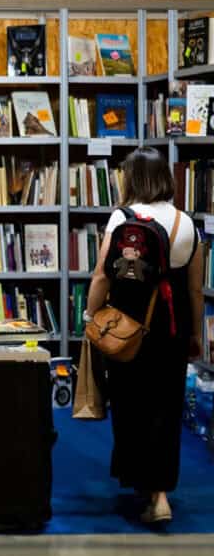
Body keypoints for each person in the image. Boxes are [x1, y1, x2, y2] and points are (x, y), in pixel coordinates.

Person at [86, 147, 204, 524]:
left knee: (131, 404)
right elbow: (195, 289)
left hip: (128, 325)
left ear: (132, 179)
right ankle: (161, 490)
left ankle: (148, 489)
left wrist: (91, 314)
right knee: (166, 409)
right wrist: (196, 333)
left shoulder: (123, 217)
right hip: (172, 324)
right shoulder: (186, 223)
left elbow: (103, 273)